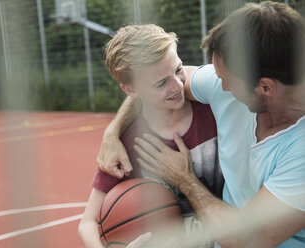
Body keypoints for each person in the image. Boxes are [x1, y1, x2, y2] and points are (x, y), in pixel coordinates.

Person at [96, 1, 305, 247]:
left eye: (225, 79)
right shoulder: (225, 87)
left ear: (266, 87)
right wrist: (112, 132)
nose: (221, 86)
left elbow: (245, 239)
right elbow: (152, 83)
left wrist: (185, 180)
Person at [78, 24, 224, 248]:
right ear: (131, 90)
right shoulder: (126, 144)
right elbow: (88, 223)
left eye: (178, 69)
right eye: (161, 83)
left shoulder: (213, 109)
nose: (177, 86)